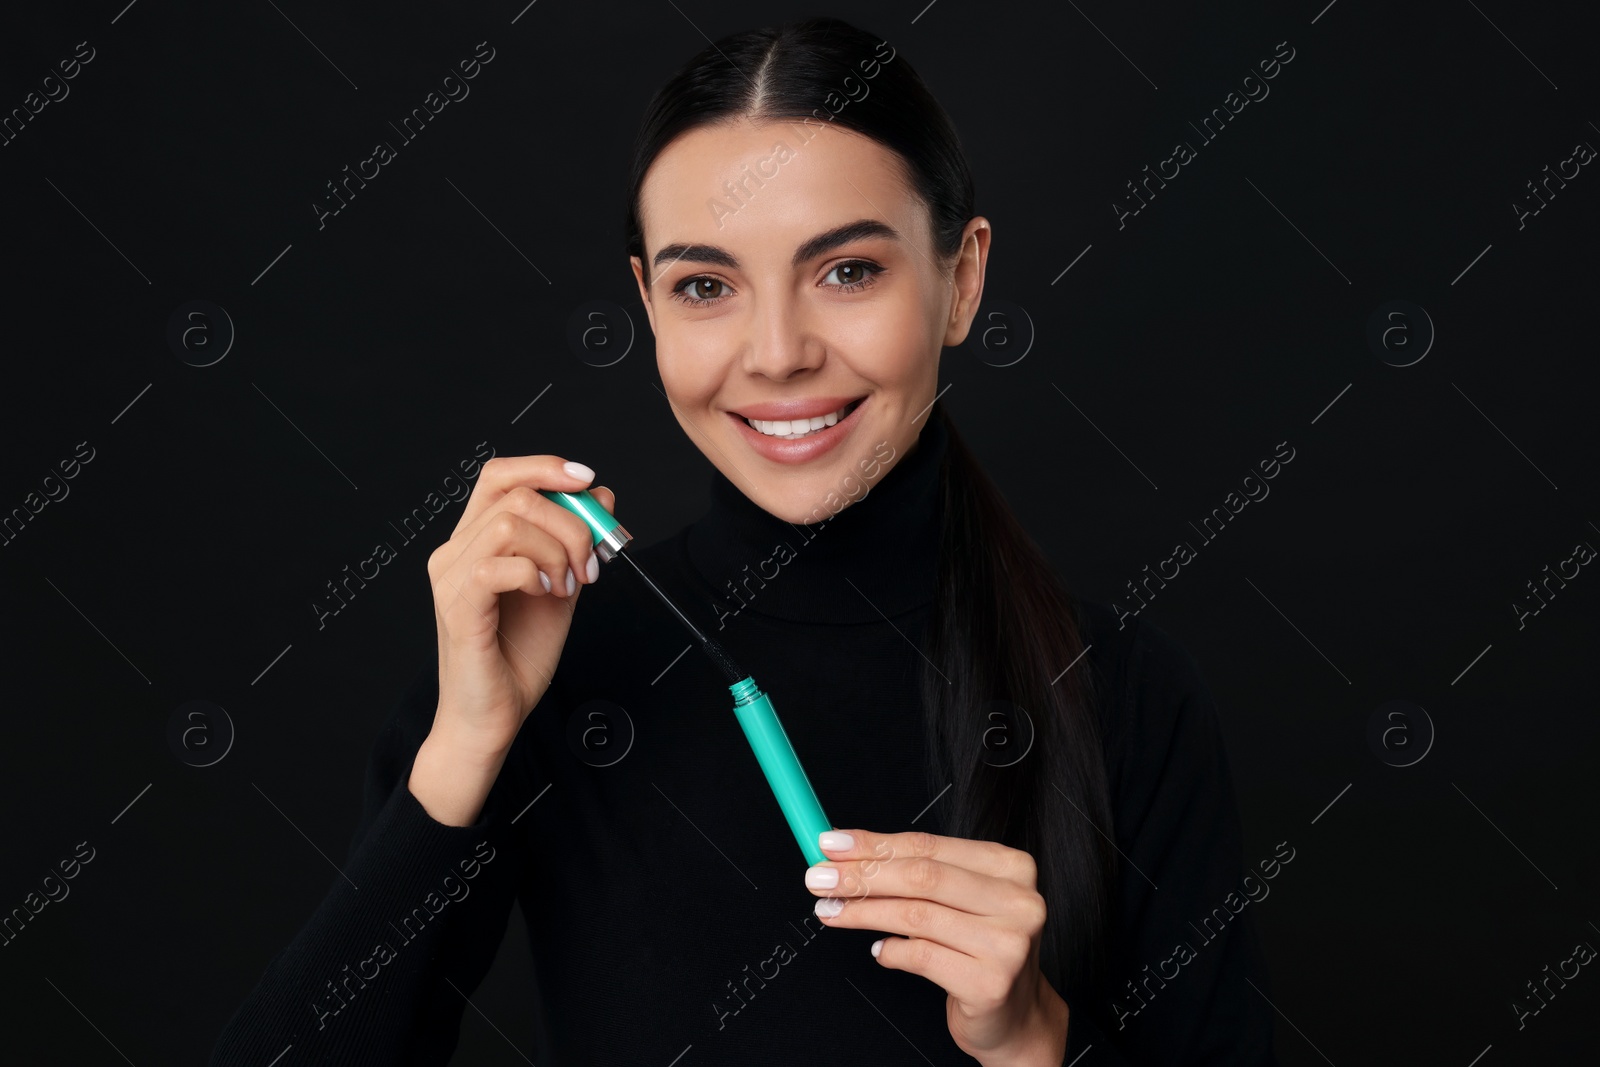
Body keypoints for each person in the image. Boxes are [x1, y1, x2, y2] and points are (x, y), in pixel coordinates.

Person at [210, 16, 1278, 1065]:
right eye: (706, 286)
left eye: (847, 270)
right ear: (647, 303)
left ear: (962, 279)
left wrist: (1033, 1041)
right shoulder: (545, 670)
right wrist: (463, 748)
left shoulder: (1126, 695)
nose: (775, 354)